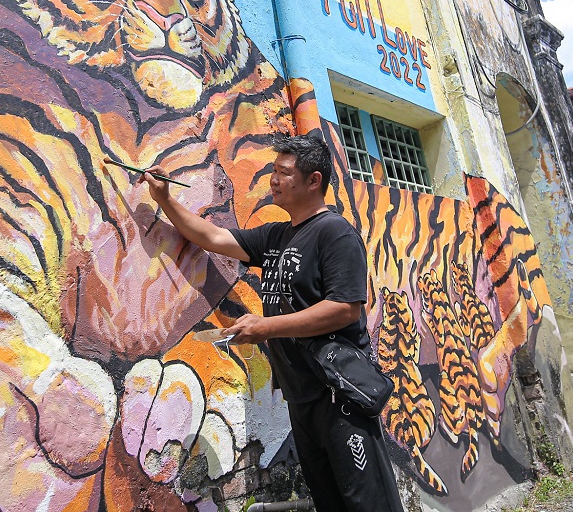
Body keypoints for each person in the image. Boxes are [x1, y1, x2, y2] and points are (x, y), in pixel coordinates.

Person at [139, 134, 404, 512]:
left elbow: (345, 308)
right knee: (329, 501)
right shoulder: (276, 236)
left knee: (367, 503)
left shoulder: (335, 233)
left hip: (337, 396)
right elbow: (212, 237)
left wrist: (267, 327)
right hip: (300, 397)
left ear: (314, 181)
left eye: (283, 172)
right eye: (273, 171)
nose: (273, 180)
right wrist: (164, 198)